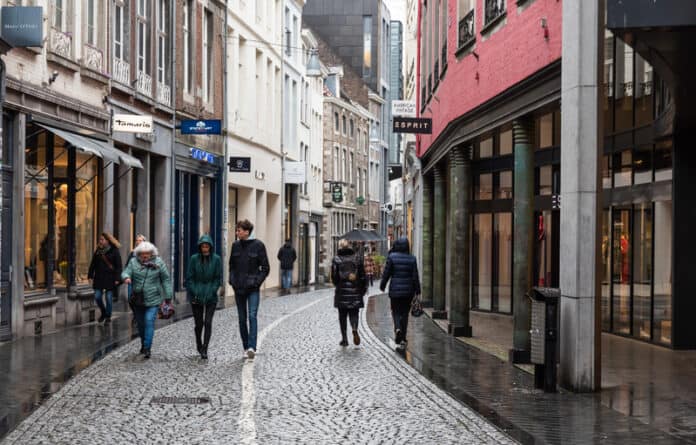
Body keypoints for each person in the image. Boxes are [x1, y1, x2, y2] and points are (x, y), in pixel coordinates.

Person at [122, 241, 173, 359]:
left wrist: (168, 295)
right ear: (138, 254)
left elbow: (165, 279)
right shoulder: (133, 262)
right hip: (138, 299)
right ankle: (143, 343)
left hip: (153, 298)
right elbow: (126, 272)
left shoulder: (159, 262)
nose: (145, 256)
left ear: (152, 254)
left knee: (149, 321)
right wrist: (126, 277)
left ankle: (147, 348)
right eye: (142, 254)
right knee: (140, 324)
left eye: (148, 254)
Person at [229, 219, 270, 359]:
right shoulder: (235, 246)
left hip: (252, 288)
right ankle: (246, 346)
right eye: (237, 230)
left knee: (252, 316)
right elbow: (232, 266)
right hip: (238, 288)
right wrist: (232, 280)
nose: (237, 233)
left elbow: (265, 268)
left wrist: (256, 283)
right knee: (242, 319)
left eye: (239, 230)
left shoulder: (258, 245)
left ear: (246, 232)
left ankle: (252, 347)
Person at [380, 237, 421, 351]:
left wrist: (382, 285)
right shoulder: (412, 259)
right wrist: (418, 291)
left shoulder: (392, 257)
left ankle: (397, 328)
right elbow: (415, 276)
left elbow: (386, 273)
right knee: (405, 314)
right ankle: (403, 337)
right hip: (408, 291)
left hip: (395, 291)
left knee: (396, 311)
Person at [186, 234, 222, 360]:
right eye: (203, 246)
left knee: (208, 322)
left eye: (207, 246)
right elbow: (189, 278)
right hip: (196, 294)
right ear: (200, 247)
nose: (205, 248)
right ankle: (198, 343)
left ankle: (205, 348)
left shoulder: (216, 259)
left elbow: (218, 278)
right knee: (199, 323)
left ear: (210, 247)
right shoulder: (194, 259)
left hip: (210, 295)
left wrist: (212, 291)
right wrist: (195, 291)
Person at [332, 239, 367, 347]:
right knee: (354, 313)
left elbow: (334, 276)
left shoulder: (336, 259)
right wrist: (363, 289)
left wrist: (337, 284)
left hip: (342, 292)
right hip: (355, 291)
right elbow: (362, 276)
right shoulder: (357, 258)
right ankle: (355, 328)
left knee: (342, 316)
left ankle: (344, 339)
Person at [88, 232, 123, 324]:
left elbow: (119, 266)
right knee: (97, 296)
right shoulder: (98, 251)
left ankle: (108, 316)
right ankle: (103, 312)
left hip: (110, 278)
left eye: (102, 240)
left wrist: (117, 278)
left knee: (108, 298)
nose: (100, 241)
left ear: (107, 241)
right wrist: (90, 275)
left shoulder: (114, 250)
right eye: (100, 239)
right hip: (99, 277)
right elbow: (93, 264)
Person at [126, 234, 147, 321]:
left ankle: (139, 315)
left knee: (140, 299)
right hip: (132, 279)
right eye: (137, 240)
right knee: (130, 299)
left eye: (140, 240)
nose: (138, 242)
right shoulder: (132, 253)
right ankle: (136, 314)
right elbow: (127, 265)